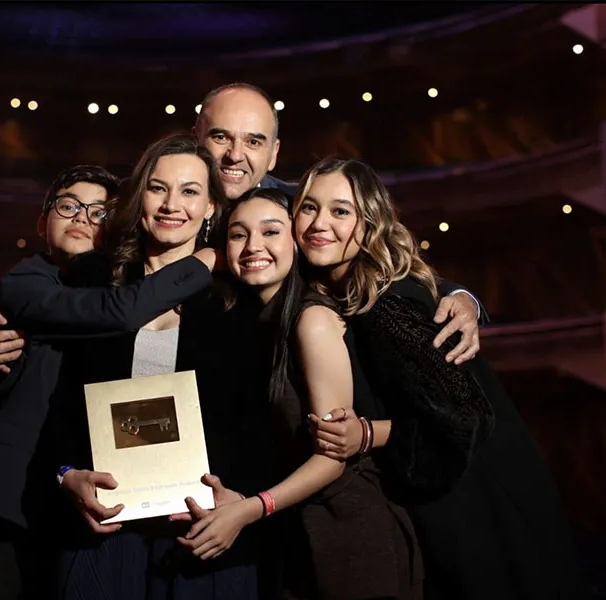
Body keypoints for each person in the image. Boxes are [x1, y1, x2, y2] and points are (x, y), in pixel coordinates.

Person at [0, 82, 484, 373]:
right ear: (196, 136)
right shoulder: (148, 203)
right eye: (221, 136)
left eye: (254, 141)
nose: (235, 155)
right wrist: (14, 323)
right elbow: (69, 260)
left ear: (274, 152)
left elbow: (377, 254)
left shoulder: (298, 212)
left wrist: (460, 296)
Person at [297, 158, 586, 600]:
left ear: (369, 223)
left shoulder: (389, 307)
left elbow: (462, 417)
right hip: (462, 502)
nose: (320, 223)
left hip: (478, 511)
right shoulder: (360, 292)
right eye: (308, 208)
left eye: (340, 211)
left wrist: (368, 433)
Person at [0, 165, 222, 599]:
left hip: (78, 504)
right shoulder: (26, 281)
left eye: (100, 212)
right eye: (68, 206)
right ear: (42, 222)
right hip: (11, 499)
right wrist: (205, 259)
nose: (82, 218)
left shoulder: (120, 282)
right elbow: (117, 311)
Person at [25, 135, 261, 599]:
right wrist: (65, 473)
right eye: (158, 188)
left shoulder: (239, 297)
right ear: (139, 198)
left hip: (204, 526)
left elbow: (258, 417)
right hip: (103, 522)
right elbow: (52, 398)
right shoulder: (90, 279)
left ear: (212, 205)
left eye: (190, 191)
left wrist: (244, 497)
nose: (173, 204)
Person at [175, 188, 427, 599]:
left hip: (351, 532)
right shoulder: (259, 322)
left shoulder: (311, 319)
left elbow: (332, 457)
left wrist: (248, 509)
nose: (253, 246)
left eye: (271, 232)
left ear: (296, 241)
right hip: (302, 530)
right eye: (238, 235)